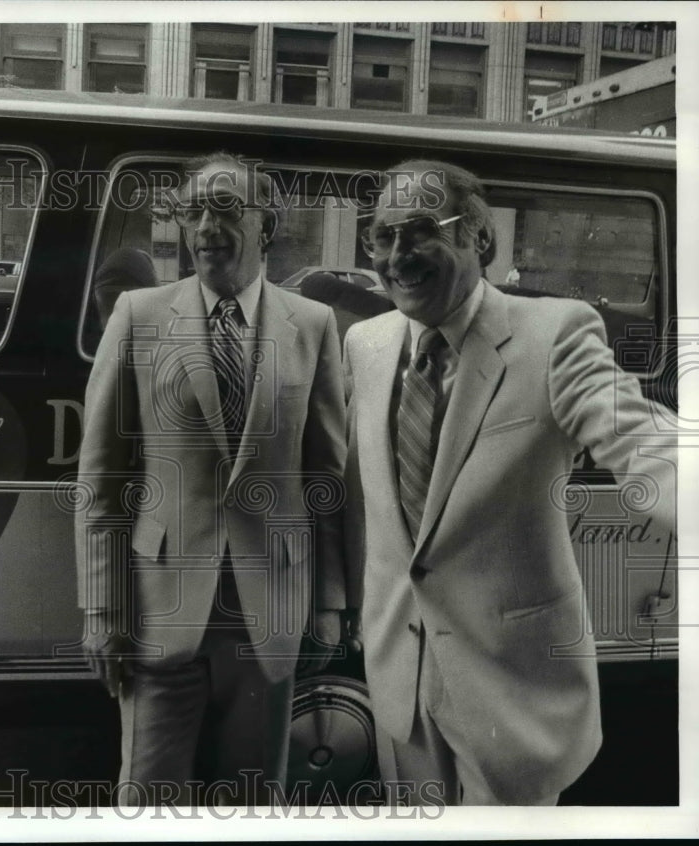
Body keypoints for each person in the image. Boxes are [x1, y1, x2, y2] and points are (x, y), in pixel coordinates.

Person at [343, 159, 677, 806]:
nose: (397, 255)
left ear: (482, 240)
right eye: (382, 237)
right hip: (398, 684)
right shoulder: (368, 343)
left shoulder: (556, 334)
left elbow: (641, 436)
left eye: (419, 231)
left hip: (511, 692)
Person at [76, 153, 347, 805]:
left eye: (224, 210)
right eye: (192, 211)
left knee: (252, 800)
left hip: (271, 610)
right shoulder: (139, 316)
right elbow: (103, 476)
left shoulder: (311, 326)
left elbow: (326, 478)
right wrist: (102, 608)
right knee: (149, 796)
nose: (203, 227)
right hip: (159, 606)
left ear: (268, 226)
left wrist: (332, 604)